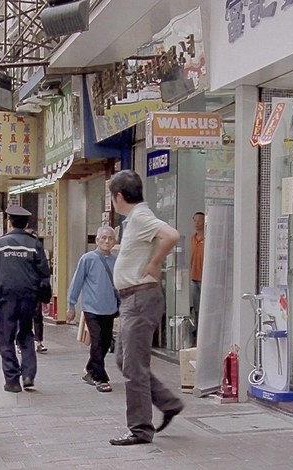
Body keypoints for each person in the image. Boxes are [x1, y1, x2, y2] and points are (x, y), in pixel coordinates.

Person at [108, 170, 184, 446]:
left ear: (118, 197)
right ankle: (168, 402)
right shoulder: (135, 219)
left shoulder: (140, 216)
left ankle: (140, 429)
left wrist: (155, 263)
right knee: (123, 359)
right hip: (133, 300)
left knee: (133, 367)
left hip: (139, 299)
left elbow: (172, 235)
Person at [0, 206, 51, 393]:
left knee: (6, 339)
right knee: (26, 334)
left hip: (5, 298)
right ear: (26, 224)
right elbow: (44, 274)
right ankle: (28, 375)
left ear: (9, 222)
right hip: (29, 298)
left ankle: (12, 381)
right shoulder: (34, 245)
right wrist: (45, 297)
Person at [67, 225, 118, 393]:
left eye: (110, 238)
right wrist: (71, 305)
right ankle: (100, 378)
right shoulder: (87, 259)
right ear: (97, 240)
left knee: (105, 342)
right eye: (103, 237)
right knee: (97, 341)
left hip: (109, 308)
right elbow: (77, 282)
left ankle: (90, 370)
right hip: (92, 308)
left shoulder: (116, 261)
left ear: (114, 241)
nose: (107, 241)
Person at [190, 211, 205, 343]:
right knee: (196, 307)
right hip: (194, 277)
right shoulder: (192, 238)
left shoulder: (207, 239)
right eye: (195, 220)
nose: (197, 223)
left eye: (199, 220)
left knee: (204, 307)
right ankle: (198, 330)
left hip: (204, 278)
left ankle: (204, 331)